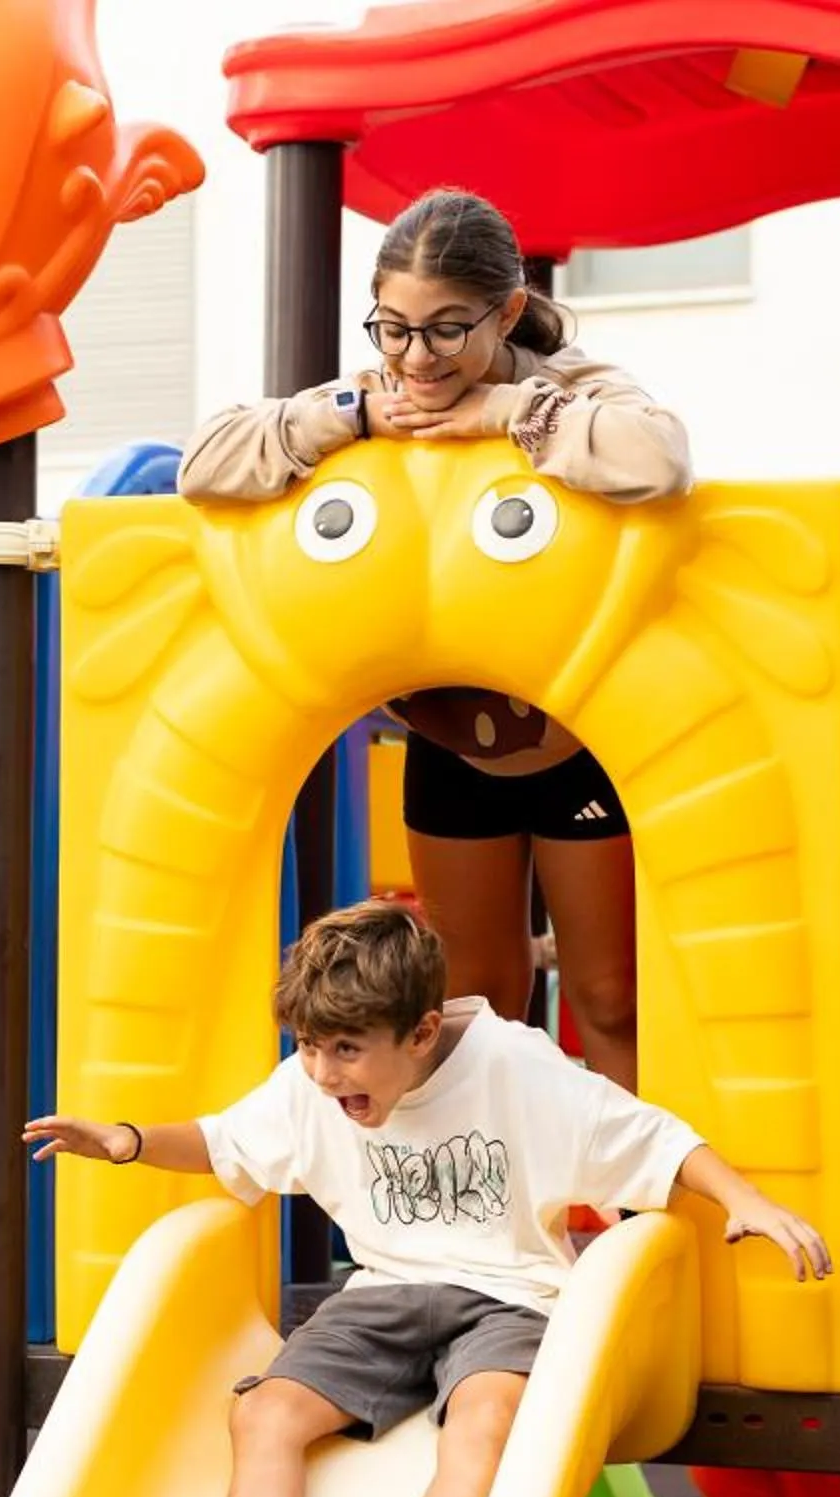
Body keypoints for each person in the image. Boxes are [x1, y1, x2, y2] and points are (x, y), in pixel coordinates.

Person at [22, 901, 827, 1497]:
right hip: (383, 1293)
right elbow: (227, 1142)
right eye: (309, 1047)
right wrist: (125, 1140)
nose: (323, 1073)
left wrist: (747, 1201)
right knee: (265, 1412)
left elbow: (652, 1139)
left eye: (345, 1050)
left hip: (512, 1296)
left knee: (486, 1418)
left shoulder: (514, 1068)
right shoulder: (313, 1087)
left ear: (421, 1033)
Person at [176, 185, 696, 1093]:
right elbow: (203, 464)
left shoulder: (569, 388)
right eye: (395, 328)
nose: (419, 357)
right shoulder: (375, 396)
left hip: (579, 741)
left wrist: (506, 415)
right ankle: (494, 1184)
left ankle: (629, 1184)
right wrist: (345, 418)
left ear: (509, 312)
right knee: (475, 1004)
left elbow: (661, 458)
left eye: (449, 330)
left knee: (612, 997)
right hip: (452, 740)